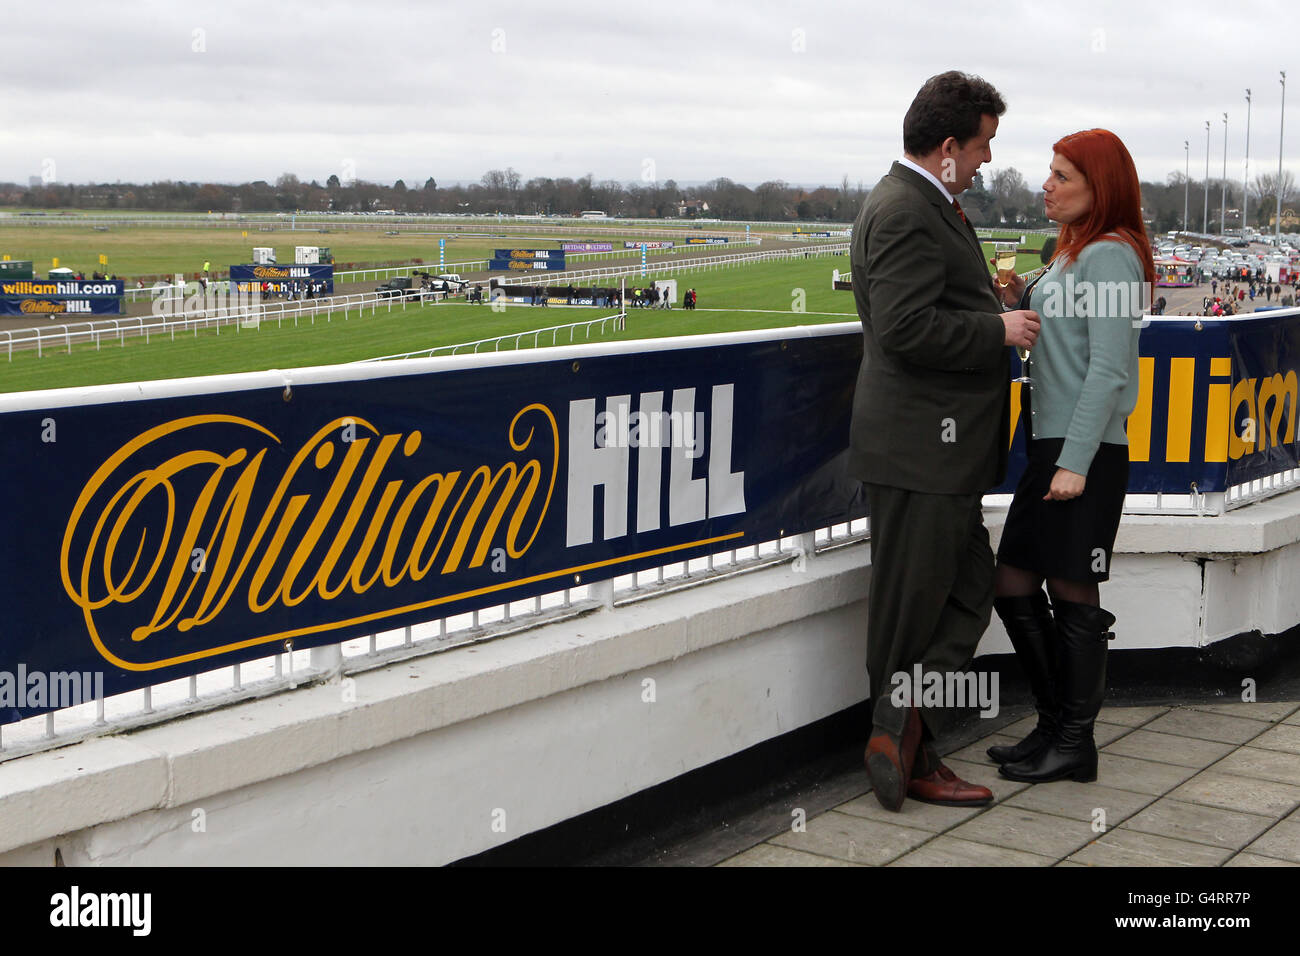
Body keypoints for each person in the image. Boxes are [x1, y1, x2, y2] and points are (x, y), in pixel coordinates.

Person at [850, 71, 1039, 811]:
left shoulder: (928, 202)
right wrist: (998, 330)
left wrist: (987, 304)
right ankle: (906, 750)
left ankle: (900, 733)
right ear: (951, 144)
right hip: (918, 449)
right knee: (913, 610)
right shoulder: (904, 209)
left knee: (963, 594)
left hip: (939, 450)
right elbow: (901, 330)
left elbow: (923, 309)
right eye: (987, 143)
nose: (991, 159)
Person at [989, 129, 1152, 784]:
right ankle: (1054, 726)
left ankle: (1074, 743)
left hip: (1083, 449)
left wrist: (1075, 462)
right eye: (1049, 174)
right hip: (1050, 442)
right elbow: (1058, 335)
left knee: (1068, 584)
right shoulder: (1069, 252)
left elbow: (1111, 371)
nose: (1046, 186)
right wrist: (1012, 303)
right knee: (1015, 578)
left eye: (1062, 177)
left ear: (1099, 188)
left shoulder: (1110, 254)